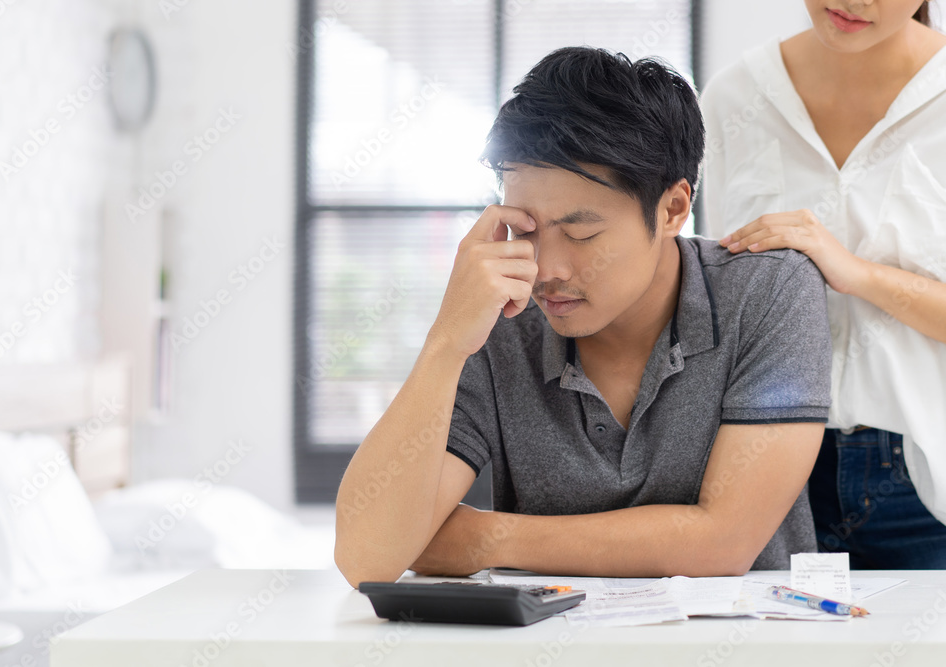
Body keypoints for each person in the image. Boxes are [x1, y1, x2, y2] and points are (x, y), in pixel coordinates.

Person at [334, 46, 833, 588]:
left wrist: (484, 538)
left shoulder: (769, 291)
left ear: (672, 209)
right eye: (525, 230)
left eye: (581, 234)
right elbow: (367, 557)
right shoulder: (497, 316)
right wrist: (446, 343)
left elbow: (725, 542)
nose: (546, 270)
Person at [700, 1, 946, 568]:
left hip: (925, 478)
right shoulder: (734, 97)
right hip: (765, 468)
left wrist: (856, 273)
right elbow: (720, 299)